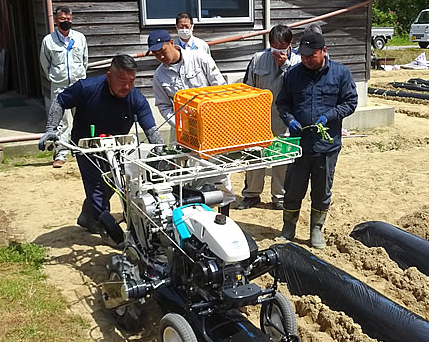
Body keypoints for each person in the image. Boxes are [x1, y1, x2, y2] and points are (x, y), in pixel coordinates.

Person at [38, 55, 163, 242]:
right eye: (122, 81)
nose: (127, 87)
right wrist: (50, 129)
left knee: (115, 184)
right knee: (96, 186)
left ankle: (89, 216)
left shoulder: (136, 98)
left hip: (117, 146)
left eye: (131, 81)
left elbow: (151, 129)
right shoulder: (87, 88)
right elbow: (60, 101)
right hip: (86, 146)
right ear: (109, 76)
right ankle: (108, 229)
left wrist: (160, 150)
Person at [276, 29, 358, 249]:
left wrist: (329, 116)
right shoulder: (292, 74)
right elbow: (282, 103)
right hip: (299, 145)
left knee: (322, 190)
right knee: (293, 188)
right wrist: (289, 119)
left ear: (324, 51)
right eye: (303, 55)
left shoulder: (341, 74)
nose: (306, 59)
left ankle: (316, 230)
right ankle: (288, 227)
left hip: (326, 145)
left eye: (311, 55)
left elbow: (350, 102)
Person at [148, 29, 234, 212]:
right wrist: (179, 124)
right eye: (156, 54)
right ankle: (194, 214)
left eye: (162, 51)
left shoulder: (199, 58)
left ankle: (225, 214)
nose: (160, 56)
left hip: (213, 127)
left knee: (220, 172)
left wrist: (212, 118)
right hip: (184, 132)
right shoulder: (159, 76)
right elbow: (163, 106)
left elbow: (220, 88)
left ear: (172, 43)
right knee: (188, 174)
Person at [235, 24, 300, 211]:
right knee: (255, 156)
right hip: (258, 118)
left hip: (285, 119)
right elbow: (247, 88)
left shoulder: (297, 63)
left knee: (282, 159)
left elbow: (298, 87)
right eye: (274, 46)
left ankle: (279, 196)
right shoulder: (258, 59)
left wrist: (284, 65)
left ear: (290, 44)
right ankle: (251, 194)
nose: (277, 51)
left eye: (281, 47)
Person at [39, 7, 88, 168]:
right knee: (61, 122)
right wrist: (56, 77)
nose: (65, 21)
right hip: (60, 87)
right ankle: (61, 154)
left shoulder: (80, 38)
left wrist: (79, 76)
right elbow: (45, 64)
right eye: (62, 19)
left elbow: (84, 61)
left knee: (82, 118)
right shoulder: (48, 41)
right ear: (56, 20)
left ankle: (81, 149)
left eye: (68, 18)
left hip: (78, 85)